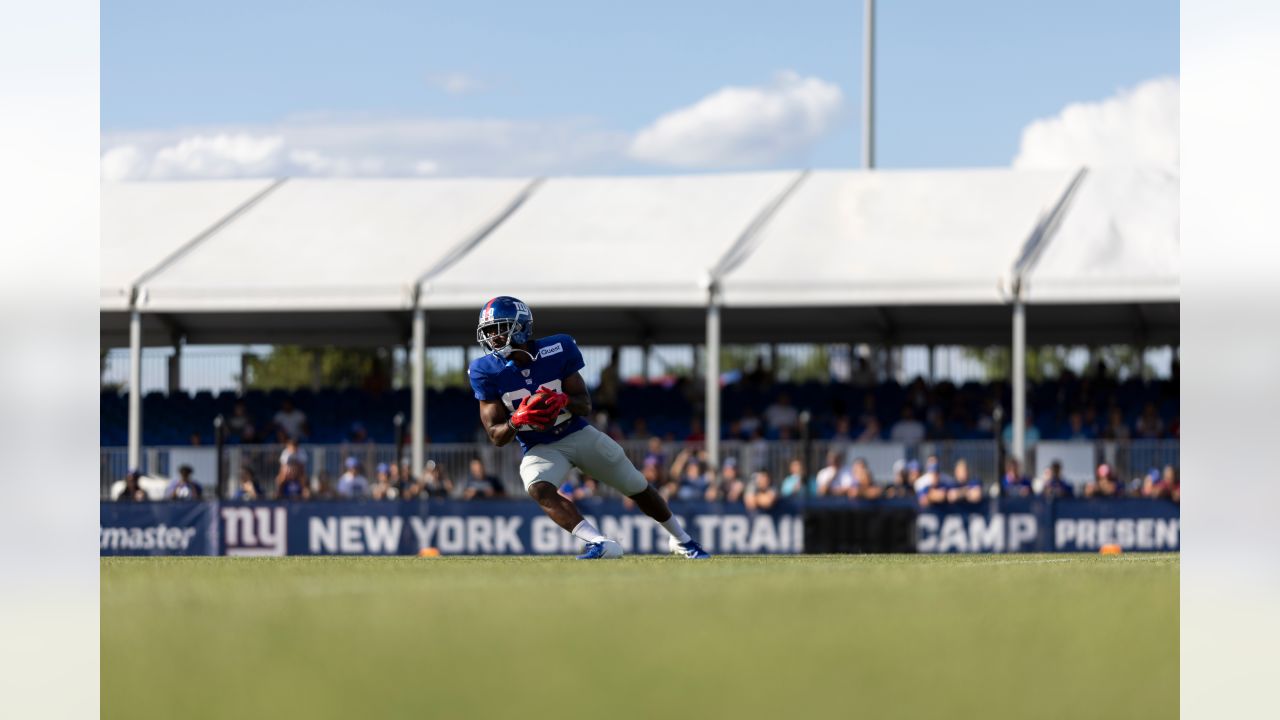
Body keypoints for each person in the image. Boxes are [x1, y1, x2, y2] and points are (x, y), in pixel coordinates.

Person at [469, 296, 709, 559]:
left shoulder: (558, 348)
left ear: (521, 327)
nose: (492, 337)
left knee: (637, 486)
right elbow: (496, 435)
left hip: (576, 432)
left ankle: (681, 539)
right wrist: (517, 419)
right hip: (539, 445)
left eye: (499, 328)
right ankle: (600, 542)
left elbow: (584, 404)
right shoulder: (485, 370)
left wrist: (562, 400)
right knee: (537, 487)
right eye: (489, 331)